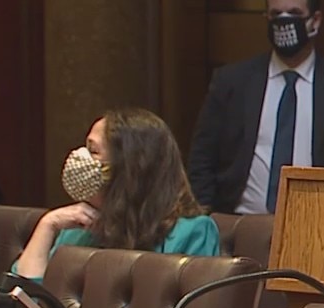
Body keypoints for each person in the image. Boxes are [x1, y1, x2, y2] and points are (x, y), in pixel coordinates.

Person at [188, 0, 324, 214]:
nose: (284, 21)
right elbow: (202, 157)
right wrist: (205, 218)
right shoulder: (232, 82)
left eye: (294, 13)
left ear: (315, 21)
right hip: (240, 221)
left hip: (314, 221)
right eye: (276, 14)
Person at [14, 108, 219, 282]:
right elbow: (23, 300)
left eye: (93, 151)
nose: (78, 158)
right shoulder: (77, 228)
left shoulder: (193, 232)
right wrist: (47, 225)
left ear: (129, 168)